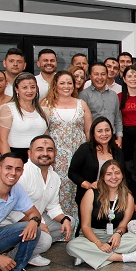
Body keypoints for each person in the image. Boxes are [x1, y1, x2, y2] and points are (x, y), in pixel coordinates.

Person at [66, 160, 136, 268]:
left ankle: (86, 257)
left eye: (117, 173)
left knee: (135, 241)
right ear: (102, 176)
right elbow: (85, 226)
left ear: (122, 176)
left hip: (113, 236)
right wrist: (99, 243)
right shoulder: (91, 193)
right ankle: (121, 258)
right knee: (72, 246)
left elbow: (123, 224)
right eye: (109, 174)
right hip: (92, 237)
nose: (114, 177)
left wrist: (118, 234)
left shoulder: (128, 196)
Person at [10, 135, 72, 267]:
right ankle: (11, 256)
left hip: (37, 218)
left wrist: (64, 219)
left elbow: (53, 206)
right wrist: (36, 224)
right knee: (45, 241)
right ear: (29, 153)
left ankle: (31, 252)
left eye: (49, 150)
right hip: (15, 221)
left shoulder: (54, 176)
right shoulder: (22, 174)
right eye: (39, 149)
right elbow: (12, 210)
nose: (45, 153)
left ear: (55, 153)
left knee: (70, 222)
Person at [41, 70, 93, 222]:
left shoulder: (81, 104)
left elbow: (89, 131)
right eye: (62, 83)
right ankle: (59, 224)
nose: (66, 86)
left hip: (79, 154)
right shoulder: (46, 104)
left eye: (69, 83)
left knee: (78, 187)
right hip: (57, 157)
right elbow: (43, 131)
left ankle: (78, 225)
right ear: (55, 85)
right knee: (57, 188)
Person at [0, 72, 48, 163]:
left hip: (40, 158)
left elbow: (45, 135)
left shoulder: (43, 110)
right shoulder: (8, 109)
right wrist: (9, 162)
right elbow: (2, 140)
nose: (29, 91)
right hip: (16, 156)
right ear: (16, 89)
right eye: (24, 87)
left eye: (33, 87)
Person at [79, 62, 124, 143]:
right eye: (96, 74)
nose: (100, 77)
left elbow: (118, 118)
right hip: (93, 139)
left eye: (103, 74)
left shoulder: (114, 95)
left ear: (107, 76)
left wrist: (119, 137)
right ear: (90, 76)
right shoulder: (83, 95)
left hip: (112, 138)